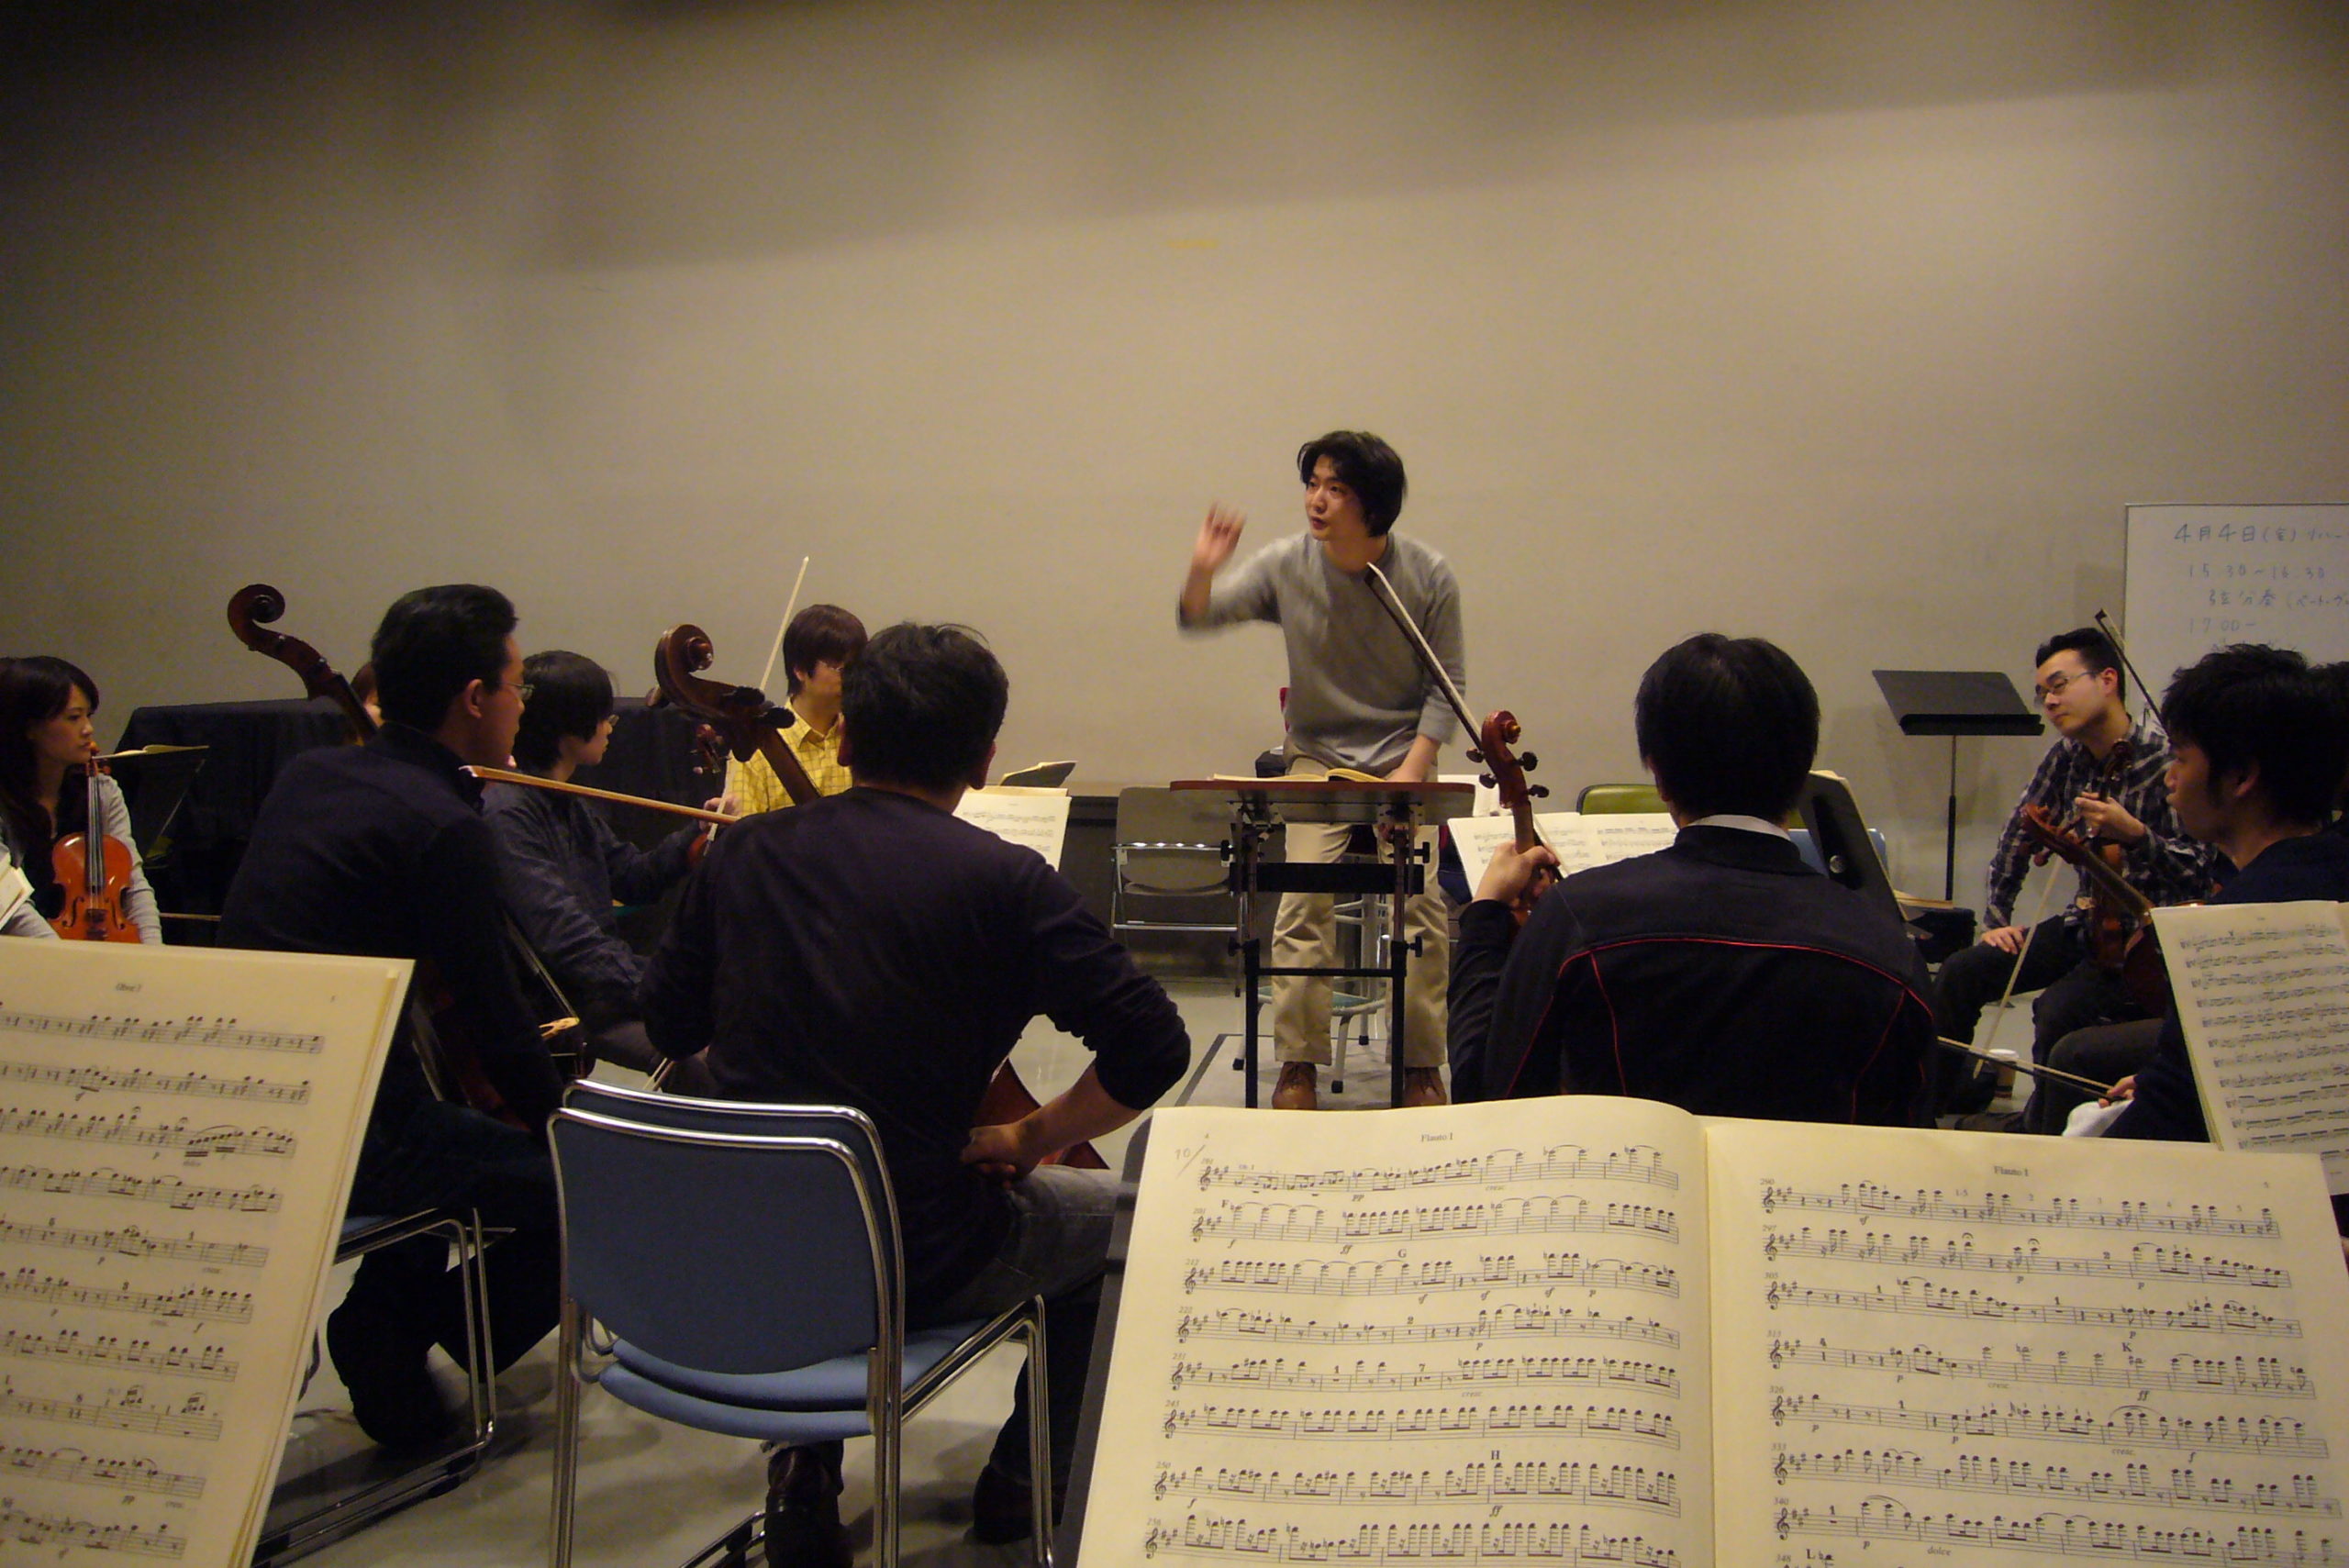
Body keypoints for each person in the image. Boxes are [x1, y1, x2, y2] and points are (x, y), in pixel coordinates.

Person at [640, 622, 1187, 1562]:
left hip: (733, 1246)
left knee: (821, 1187)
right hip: (909, 1254)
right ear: (983, 761)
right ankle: (1026, 1480)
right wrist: (1028, 1136)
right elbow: (1154, 1044)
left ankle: (802, 1467)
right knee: (1131, 1222)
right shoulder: (1006, 882)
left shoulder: (740, 853)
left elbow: (666, 1023)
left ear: (847, 738)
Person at [219, 585, 563, 1451]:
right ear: (475, 698)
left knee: (447, 1136)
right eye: (517, 686)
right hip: (348, 1130)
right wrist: (570, 1132)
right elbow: (496, 1018)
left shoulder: (312, 774)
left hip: (245, 1097)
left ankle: (385, 1332)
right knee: (589, 1198)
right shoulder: (441, 821)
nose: (522, 705)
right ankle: (390, 1328)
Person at [1454, 633, 1935, 1123]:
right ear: (1802, 771)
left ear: (1658, 774)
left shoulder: (1577, 919)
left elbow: (1487, 1099)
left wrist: (1486, 917)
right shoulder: (1887, 950)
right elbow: (1912, 1132)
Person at [1178, 430, 1463, 1109]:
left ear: (1374, 504)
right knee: (1302, 902)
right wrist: (1202, 569)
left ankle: (1422, 1065)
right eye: (1313, 485)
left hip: (1403, 759)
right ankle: (1298, 1063)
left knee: (1422, 906)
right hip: (1318, 759)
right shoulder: (1287, 564)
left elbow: (1446, 683)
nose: (1317, 500)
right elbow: (1199, 616)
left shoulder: (1427, 575)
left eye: (1336, 488)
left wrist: (1413, 768)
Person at [1930, 628, 2213, 1117]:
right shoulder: (2068, 757)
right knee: (1963, 971)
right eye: (2042, 693)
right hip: (2088, 923)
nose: (2050, 702)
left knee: (2057, 1009)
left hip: (2148, 946)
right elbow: (2018, 835)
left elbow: (2201, 871)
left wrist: (2136, 836)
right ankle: (1935, 1100)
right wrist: (1997, 919)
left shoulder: (2166, 760)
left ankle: (2043, 1126)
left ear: (2107, 680)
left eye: (2059, 686)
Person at [2105, 646, 2349, 1151]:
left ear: (2240, 777)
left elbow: (2162, 1121)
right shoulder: (2332, 865)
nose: (2170, 777)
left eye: (2181, 757)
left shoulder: (2235, 928)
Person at [483, 651, 705, 1074]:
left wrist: (698, 833)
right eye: (603, 716)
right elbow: (568, 941)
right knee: (704, 1061)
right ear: (568, 725)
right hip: (570, 1010)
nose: (609, 727)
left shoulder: (568, 802)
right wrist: (661, 987)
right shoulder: (510, 811)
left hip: (604, 994)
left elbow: (635, 878)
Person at [0, 656, 161, 943]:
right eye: (74, 718)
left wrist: (152, 953)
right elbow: (11, 908)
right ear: (28, 727)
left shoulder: (101, 790)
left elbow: (133, 883)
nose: (88, 729)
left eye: (89, 716)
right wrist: (68, 960)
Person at [722, 603, 866, 814]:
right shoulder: (756, 749)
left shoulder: (862, 741)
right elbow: (746, 831)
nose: (853, 679)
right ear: (800, 669)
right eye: (841, 668)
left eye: (857, 668)